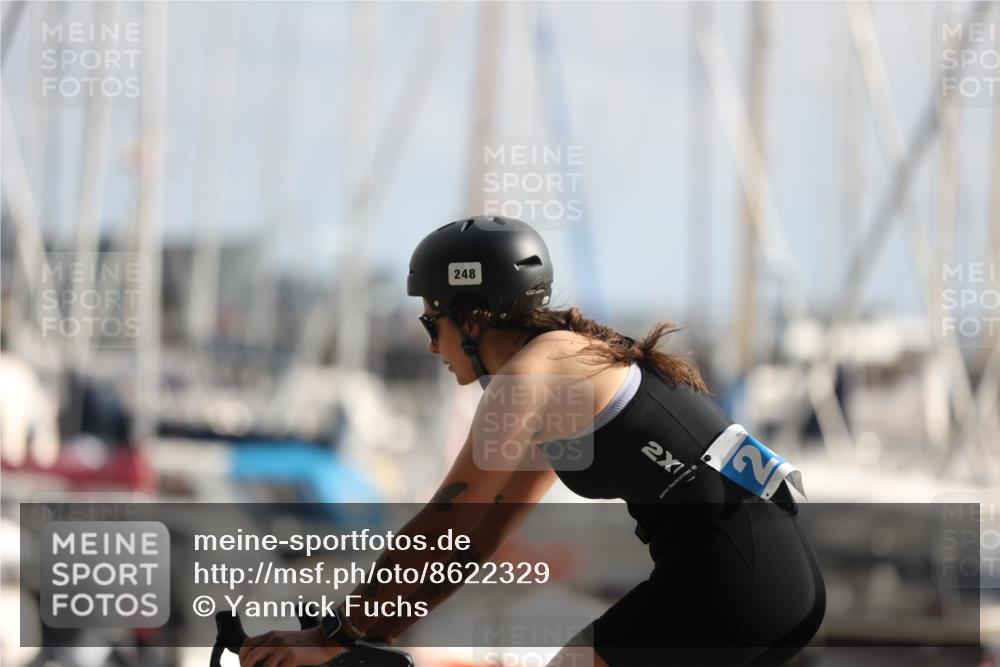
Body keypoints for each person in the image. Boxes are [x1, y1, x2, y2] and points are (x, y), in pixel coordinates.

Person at [239, 215, 825, 667]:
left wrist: (331, 634)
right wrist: (371, 634)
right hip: (777, 576)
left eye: (429, 322)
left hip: (727, 577)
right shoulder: (565, 370)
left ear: (471, 318)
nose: (428, 345)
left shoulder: (529, 378)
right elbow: (477, 537)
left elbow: (443, 521)